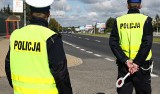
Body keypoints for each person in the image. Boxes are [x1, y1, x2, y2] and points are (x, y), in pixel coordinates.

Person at [5, 0, 73, 94]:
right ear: (48, 14)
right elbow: (61, 75)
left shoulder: (16, 35)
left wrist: (18, 86)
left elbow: (8, 66)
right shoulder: (51, 37)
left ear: (30, 13)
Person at [109, 0, 153, 94]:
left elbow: (113, 43)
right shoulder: (146, 20)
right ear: (140, 6)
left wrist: (125, 60)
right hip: (142, 66)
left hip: (125, 66)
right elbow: (147, 44)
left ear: (128, 6)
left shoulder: (119, 20)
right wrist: (137, 63)